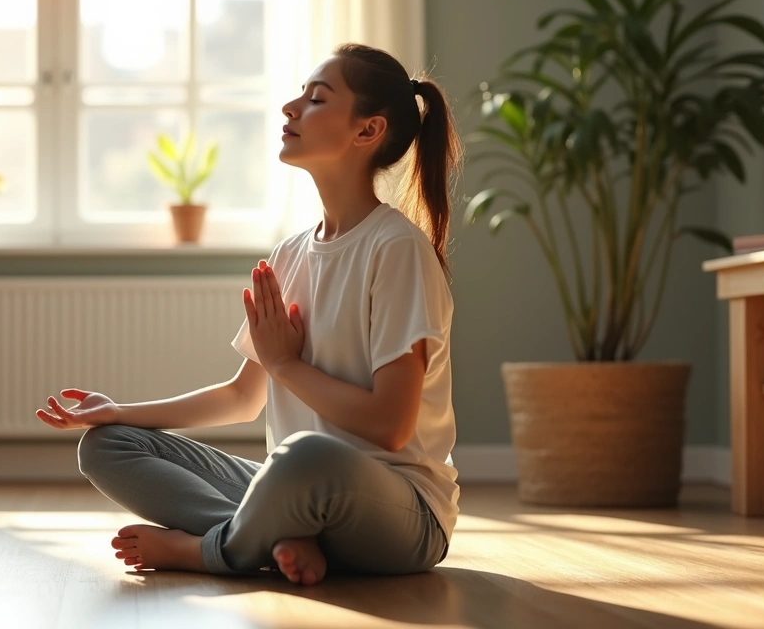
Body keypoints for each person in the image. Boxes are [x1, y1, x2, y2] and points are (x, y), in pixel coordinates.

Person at [35, 42, 462, 586]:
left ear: (367, 130)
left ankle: (212, 550)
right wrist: (118, 410)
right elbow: (242, 397)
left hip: (402, 515)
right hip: (297, 491)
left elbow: (391, 425)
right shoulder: (290, 253)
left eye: (316, 99)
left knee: (304, 457)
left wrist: (287, 366)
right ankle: (273, 537)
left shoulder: (396, 248)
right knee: (105, 446)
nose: (290, 108)